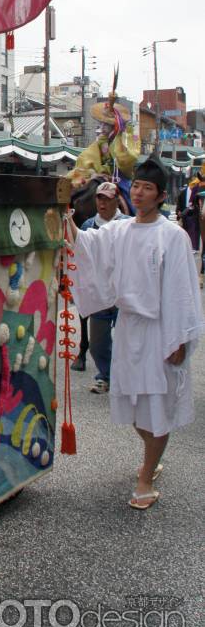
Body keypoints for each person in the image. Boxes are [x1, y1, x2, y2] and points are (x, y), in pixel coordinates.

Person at [66, 155, 203, 510]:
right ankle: (151, 455)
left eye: (148, 188)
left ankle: (145, 476)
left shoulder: (171, 236)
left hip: (160, 331)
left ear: (160, 196)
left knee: (157, 404)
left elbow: (182, 290)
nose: (140, 193)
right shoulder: (121, 229)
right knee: (133, 405)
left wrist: (179, 340)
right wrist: (66, 222)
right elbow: (88, 245)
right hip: (128, 329)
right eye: (137, 186)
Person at [78, 181, 128, 393]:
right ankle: (105, 375)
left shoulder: (129, 224)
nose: (103, 202)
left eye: (107, 198)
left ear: (117, 199)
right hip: (99, 293)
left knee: (127, 340)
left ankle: (124, 378)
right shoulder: (88, 225)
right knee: (98, 342)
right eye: (99, 198)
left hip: (122, 292)